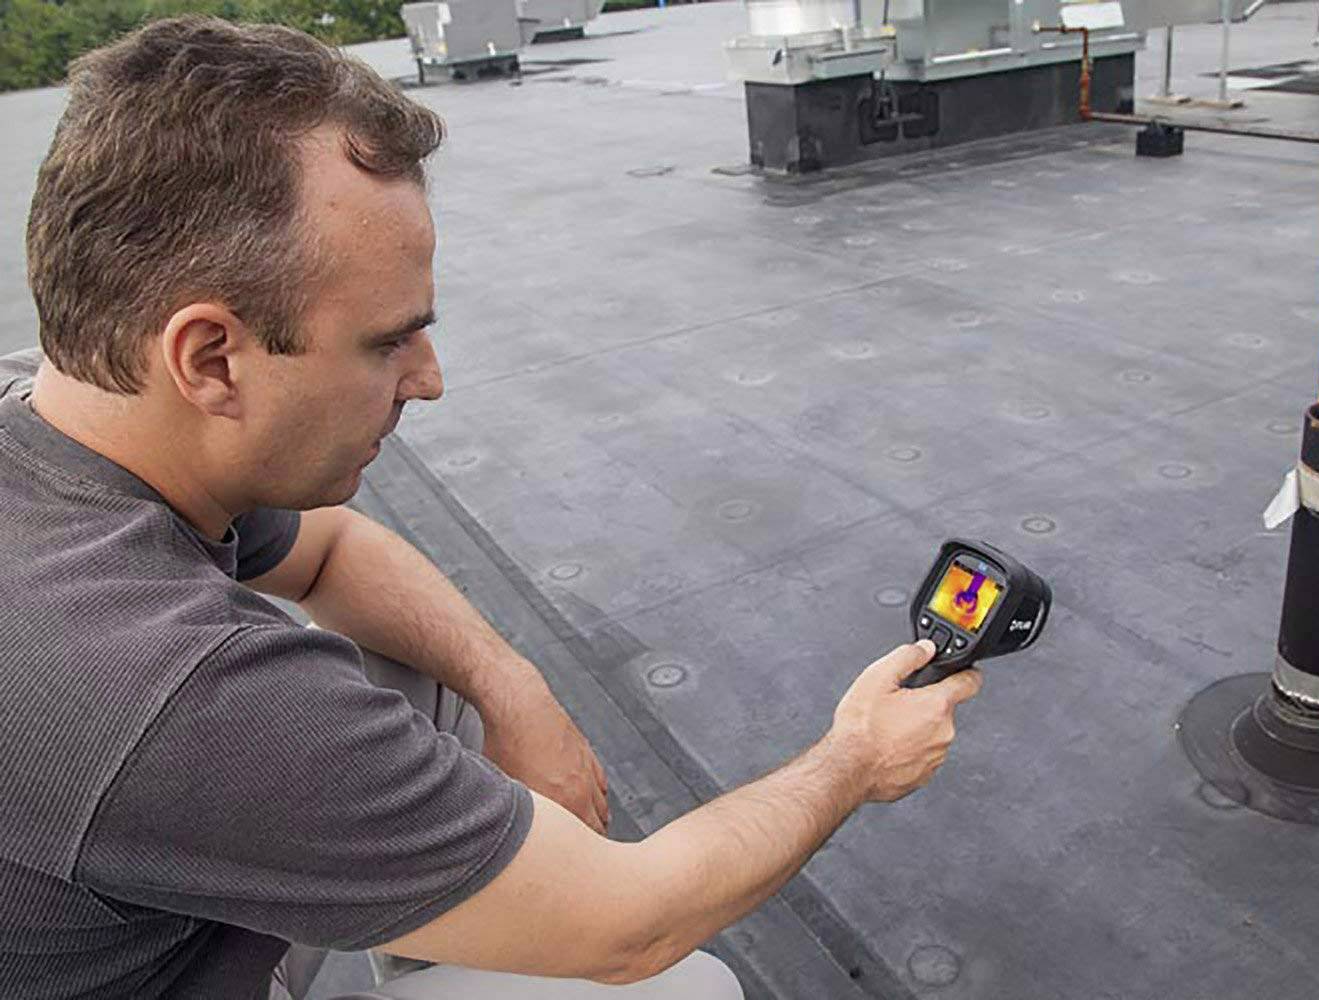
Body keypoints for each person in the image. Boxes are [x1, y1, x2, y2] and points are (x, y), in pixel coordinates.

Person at [0, 16, 983, 1000]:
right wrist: (857, 759)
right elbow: (630, 925)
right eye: (389, 341)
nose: (428, 380)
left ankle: (455, 910)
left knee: (416, 669)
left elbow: (330, 552)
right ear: (210, 359)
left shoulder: (56, 424)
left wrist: (512, 686)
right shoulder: (168, 687)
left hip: (149, 911)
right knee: (683, 991)